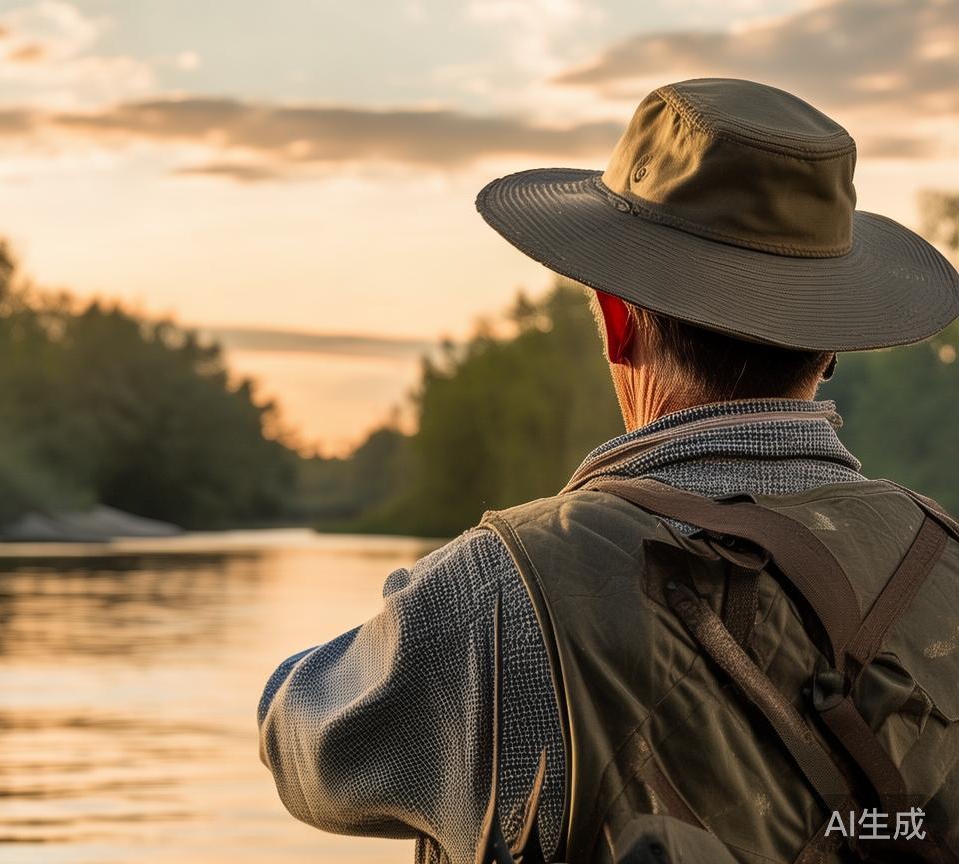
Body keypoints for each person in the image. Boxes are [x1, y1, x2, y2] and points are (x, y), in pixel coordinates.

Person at [257, 78, 959, 864]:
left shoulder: (505, 589)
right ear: (829, 344)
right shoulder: (950, 558)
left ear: (618, 321)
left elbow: (301, 747)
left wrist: (442, 603)